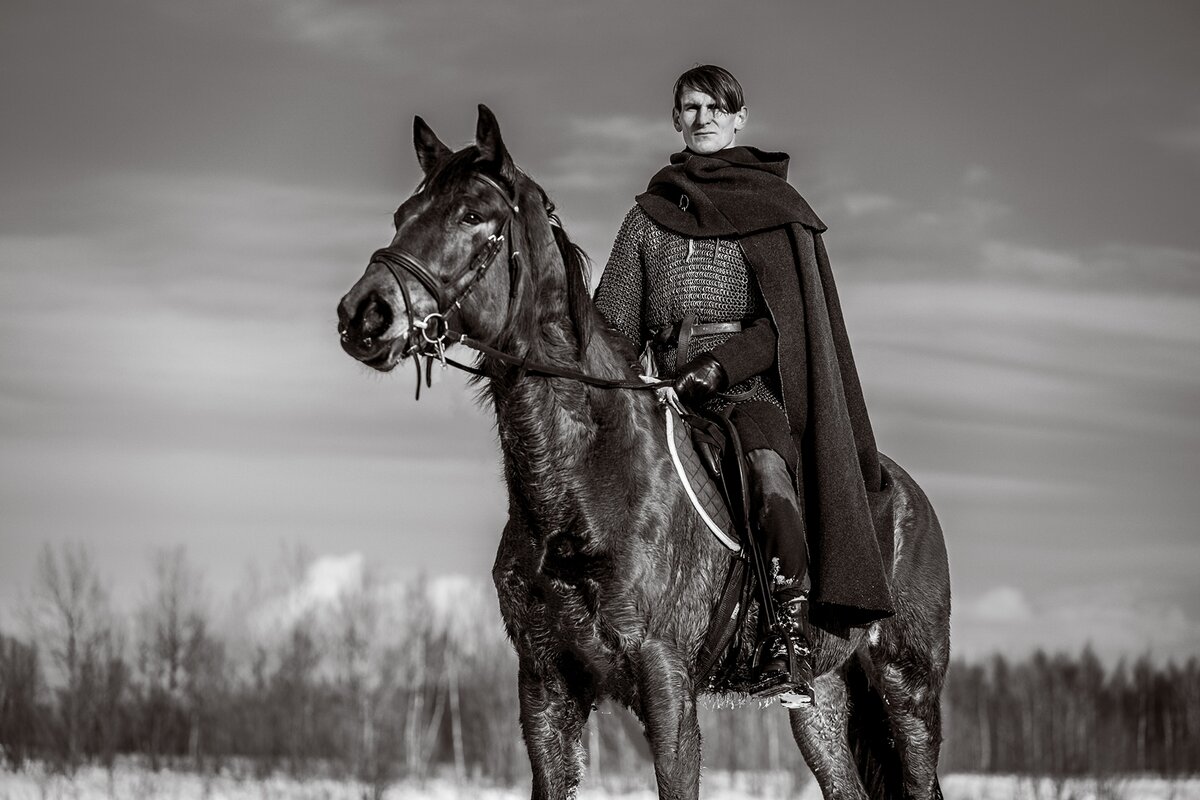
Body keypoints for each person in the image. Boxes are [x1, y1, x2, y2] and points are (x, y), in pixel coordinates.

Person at [593, 65, 895, 707]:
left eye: (713, 107)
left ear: (739, 119)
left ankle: (788, 632)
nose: (701, 118)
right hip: (659, 389)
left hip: (744, 390)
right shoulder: (647, 216)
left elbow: (781, 323)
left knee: (766, 471)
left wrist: (718, 368)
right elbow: (613, 321)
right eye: (689, 107)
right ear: (675, 120)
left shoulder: (773, 212)